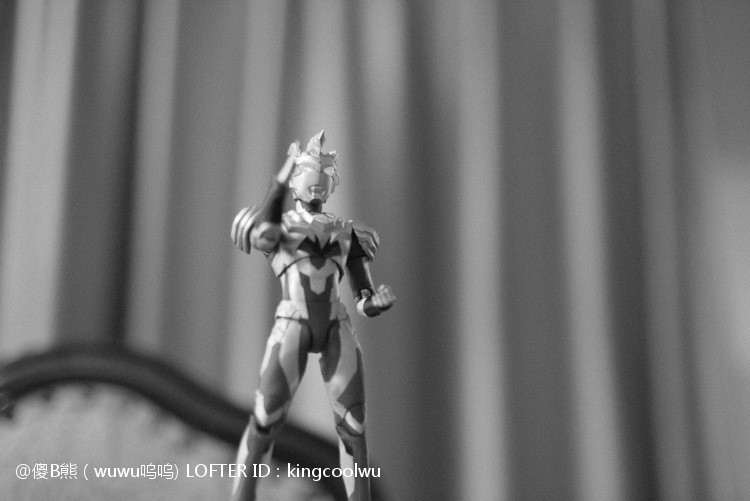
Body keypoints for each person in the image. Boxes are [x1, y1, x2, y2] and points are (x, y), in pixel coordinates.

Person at [230, 131, 396, 501]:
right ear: (295, 181)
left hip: (336, 325)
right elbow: (265, 234)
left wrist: (376, 303)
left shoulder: (347, 233)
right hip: (293, 323)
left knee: (354, 425)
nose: (318, 184)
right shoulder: (279, 226)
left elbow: (363, 297)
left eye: (325, 177)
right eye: (310, 175)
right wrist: (279, 180)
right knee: (265, 418)